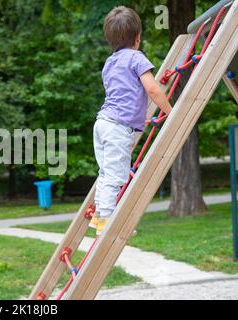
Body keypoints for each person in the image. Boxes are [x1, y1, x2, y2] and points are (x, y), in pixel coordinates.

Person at [90, 6, 172, 236]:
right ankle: (106, 221)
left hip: (103, 123)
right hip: (117, 127)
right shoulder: (137, 58)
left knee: (106, 173)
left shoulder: (109, 63)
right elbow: (153, 89)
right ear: (137, 37)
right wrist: (169, 112)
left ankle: (99, 216)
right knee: (115, 176)